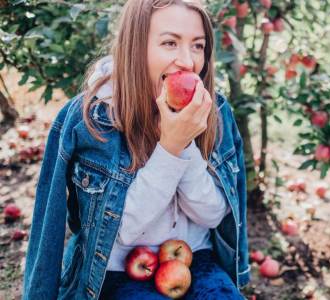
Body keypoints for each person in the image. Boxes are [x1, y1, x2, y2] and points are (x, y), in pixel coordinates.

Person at [22, 0, 250, 299]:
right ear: (136, 46)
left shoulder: (215, 111)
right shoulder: (89, 119)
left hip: (195, 258)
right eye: (170, 43)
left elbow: (213, 215)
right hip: (115, 267)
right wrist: (169, 147)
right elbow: (121, 230)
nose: (187, 61)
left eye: (197, 46)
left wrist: (185, 144)